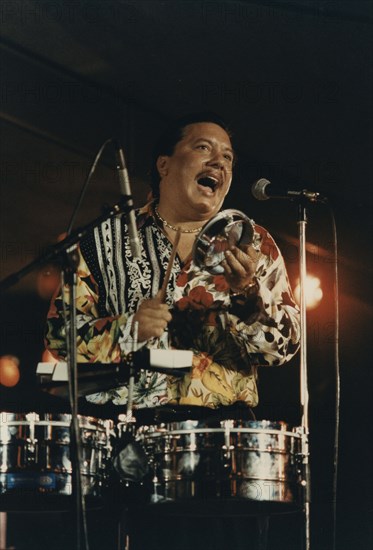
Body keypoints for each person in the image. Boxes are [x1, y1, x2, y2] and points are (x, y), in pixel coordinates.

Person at [44, 112, 301, 549]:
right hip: (125, 442)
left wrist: (248, 298)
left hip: (220, 444)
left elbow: (285, 349)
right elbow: (59, 338)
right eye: (204, 148)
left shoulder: (254, 244)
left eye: (228, 158)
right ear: (164, 164)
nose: (219, 163)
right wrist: (127, 329)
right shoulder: (101, 242)